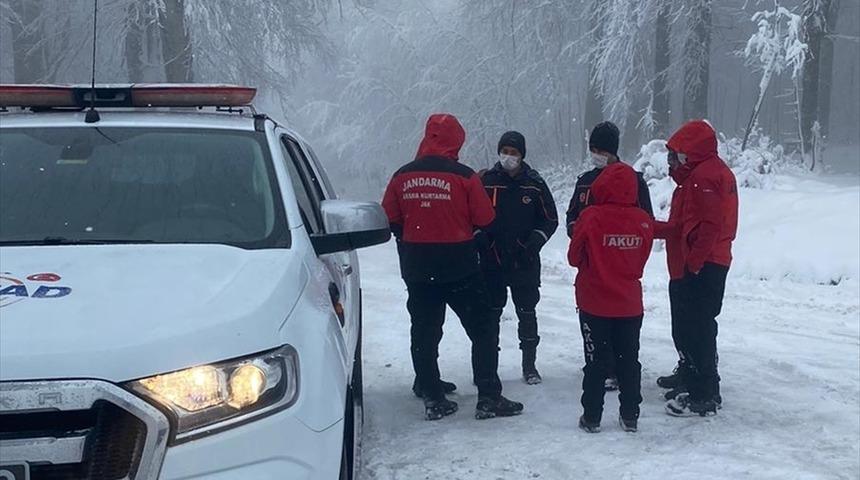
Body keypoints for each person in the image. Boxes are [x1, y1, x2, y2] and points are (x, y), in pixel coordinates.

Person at [382, 113, 524, 421]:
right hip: (459, 266)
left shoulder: (401, 176)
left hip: (417, 268)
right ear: (456, 141)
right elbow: (486, 219)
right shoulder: (465, 176)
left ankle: (431, 393)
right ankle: (488, 396)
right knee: (483, 329)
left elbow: (389, 219)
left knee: (424, 330)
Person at [658, 120, 738, 417]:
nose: (674, 160)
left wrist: (694, 263)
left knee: (698, 328)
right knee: (693, 326)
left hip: (703, 264)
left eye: (678, 154)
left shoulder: (704, 177)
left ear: (692, 151)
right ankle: (693, 379)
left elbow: (709, 226)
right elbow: (684, 224)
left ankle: (703, 393)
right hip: (699, 262)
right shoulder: (701, 175)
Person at [565, 121, 654, 391]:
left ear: (613, 151)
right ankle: (596, 364)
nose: (596, 154)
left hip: (620, 259)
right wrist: (577, 232)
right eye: (593, 149)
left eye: (601, 150)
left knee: (619, 319)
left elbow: (645, 221)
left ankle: (617, 368)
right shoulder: (585, 182)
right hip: (591, 263)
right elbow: (572, 216)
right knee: (593, 317)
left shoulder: (633, 181)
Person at [478, 131, 558, 385]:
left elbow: (550, 219)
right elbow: (471, 215)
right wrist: (480, 239)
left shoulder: (534, 184)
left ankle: (529, 366)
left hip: (525, 261)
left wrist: (535, 241)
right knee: (491, 316)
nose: (508, 157)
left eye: (514, 153)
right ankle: (488, 369)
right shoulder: (486, 181)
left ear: (522, 155)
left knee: (527, 312)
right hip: (493, 261)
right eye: (505, 151)